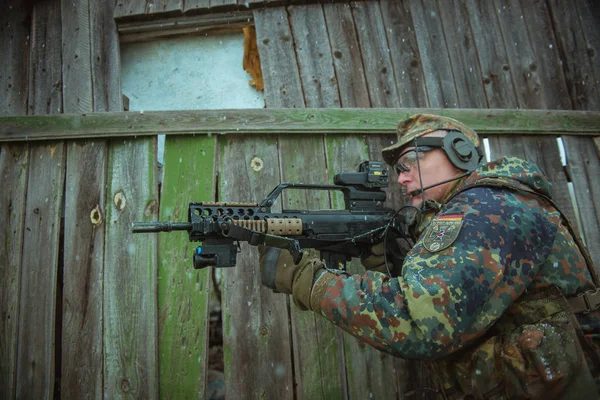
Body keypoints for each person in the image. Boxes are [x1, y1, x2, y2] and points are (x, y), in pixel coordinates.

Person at [259, 114, 600, 399]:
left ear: (459, 152)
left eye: (410, 161)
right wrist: (394, 266)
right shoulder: (488, 203)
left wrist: (310, 281)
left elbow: (424, 325)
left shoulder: (486, 208)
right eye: (398, 169)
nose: (402, 176)